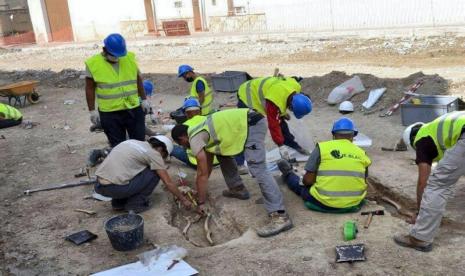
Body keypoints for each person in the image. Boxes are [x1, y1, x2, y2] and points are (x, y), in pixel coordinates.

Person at [171, 108, 293, 237]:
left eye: (182, 144)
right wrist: (200, 191)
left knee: (257, 166)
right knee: (222, 154)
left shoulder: (194, 137)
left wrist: (201, 202)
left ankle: (280, 216)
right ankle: (237, 188)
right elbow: (207, 168)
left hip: (251, 123)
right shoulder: (201, 132)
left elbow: (202, 173)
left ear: (182, 137)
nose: (185, 147)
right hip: (249, 120)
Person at [394, 111, 465, 252]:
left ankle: (420, 237)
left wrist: (420, 213)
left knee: (438, 184)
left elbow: (423, 182)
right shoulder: (436, 128)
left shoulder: (422, 140)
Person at [277, 117, 370, 213]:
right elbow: (363, 180)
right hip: (354, 203)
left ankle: (288, 173)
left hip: (324, 203)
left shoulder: (322, 148)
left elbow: (308, 181)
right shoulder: (362, 153)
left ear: (333, 134)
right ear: (353, 135)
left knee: (301, 186)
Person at [94, 135, 193, 213]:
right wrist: (183, 200)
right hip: (115, 188)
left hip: (99, 185)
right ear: (161, 149)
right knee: (155, 172)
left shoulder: (130, 142)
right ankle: (135, 205)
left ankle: (118, 203)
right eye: (164, 156)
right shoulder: (154, 154)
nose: (162, 158)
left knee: (130, 171)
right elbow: (168, 182)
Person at [85, 33, 151, 148]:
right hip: (110, 113)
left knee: (139, 142)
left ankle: (139, 164)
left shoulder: (129, 57)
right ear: (104, 49)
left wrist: (144, 99)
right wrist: (92, 110)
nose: (117, 57)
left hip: (133, 108)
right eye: (114, 55)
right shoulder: (93, 64)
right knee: (118, 146)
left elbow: (137, 79)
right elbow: (89, 88)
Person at [235, 76, 312, 172]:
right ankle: (239, 163)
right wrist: (280, 145)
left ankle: (293, 145)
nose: (290, 110)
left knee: (281, 123)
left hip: (267, 93)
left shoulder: (295, 87)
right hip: (247, 95)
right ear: (292, 105)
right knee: (247, 131)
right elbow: (273, 125)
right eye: (291, 109)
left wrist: (283, 114)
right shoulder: (274, 101)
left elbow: (284, 97)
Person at [170, 98, 219, 169]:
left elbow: (185, 145)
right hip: (216, 160)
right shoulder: (210, 120)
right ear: (200, 111)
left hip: (196, 162)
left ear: (185, 113)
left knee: (170, 147)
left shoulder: (184, 126)